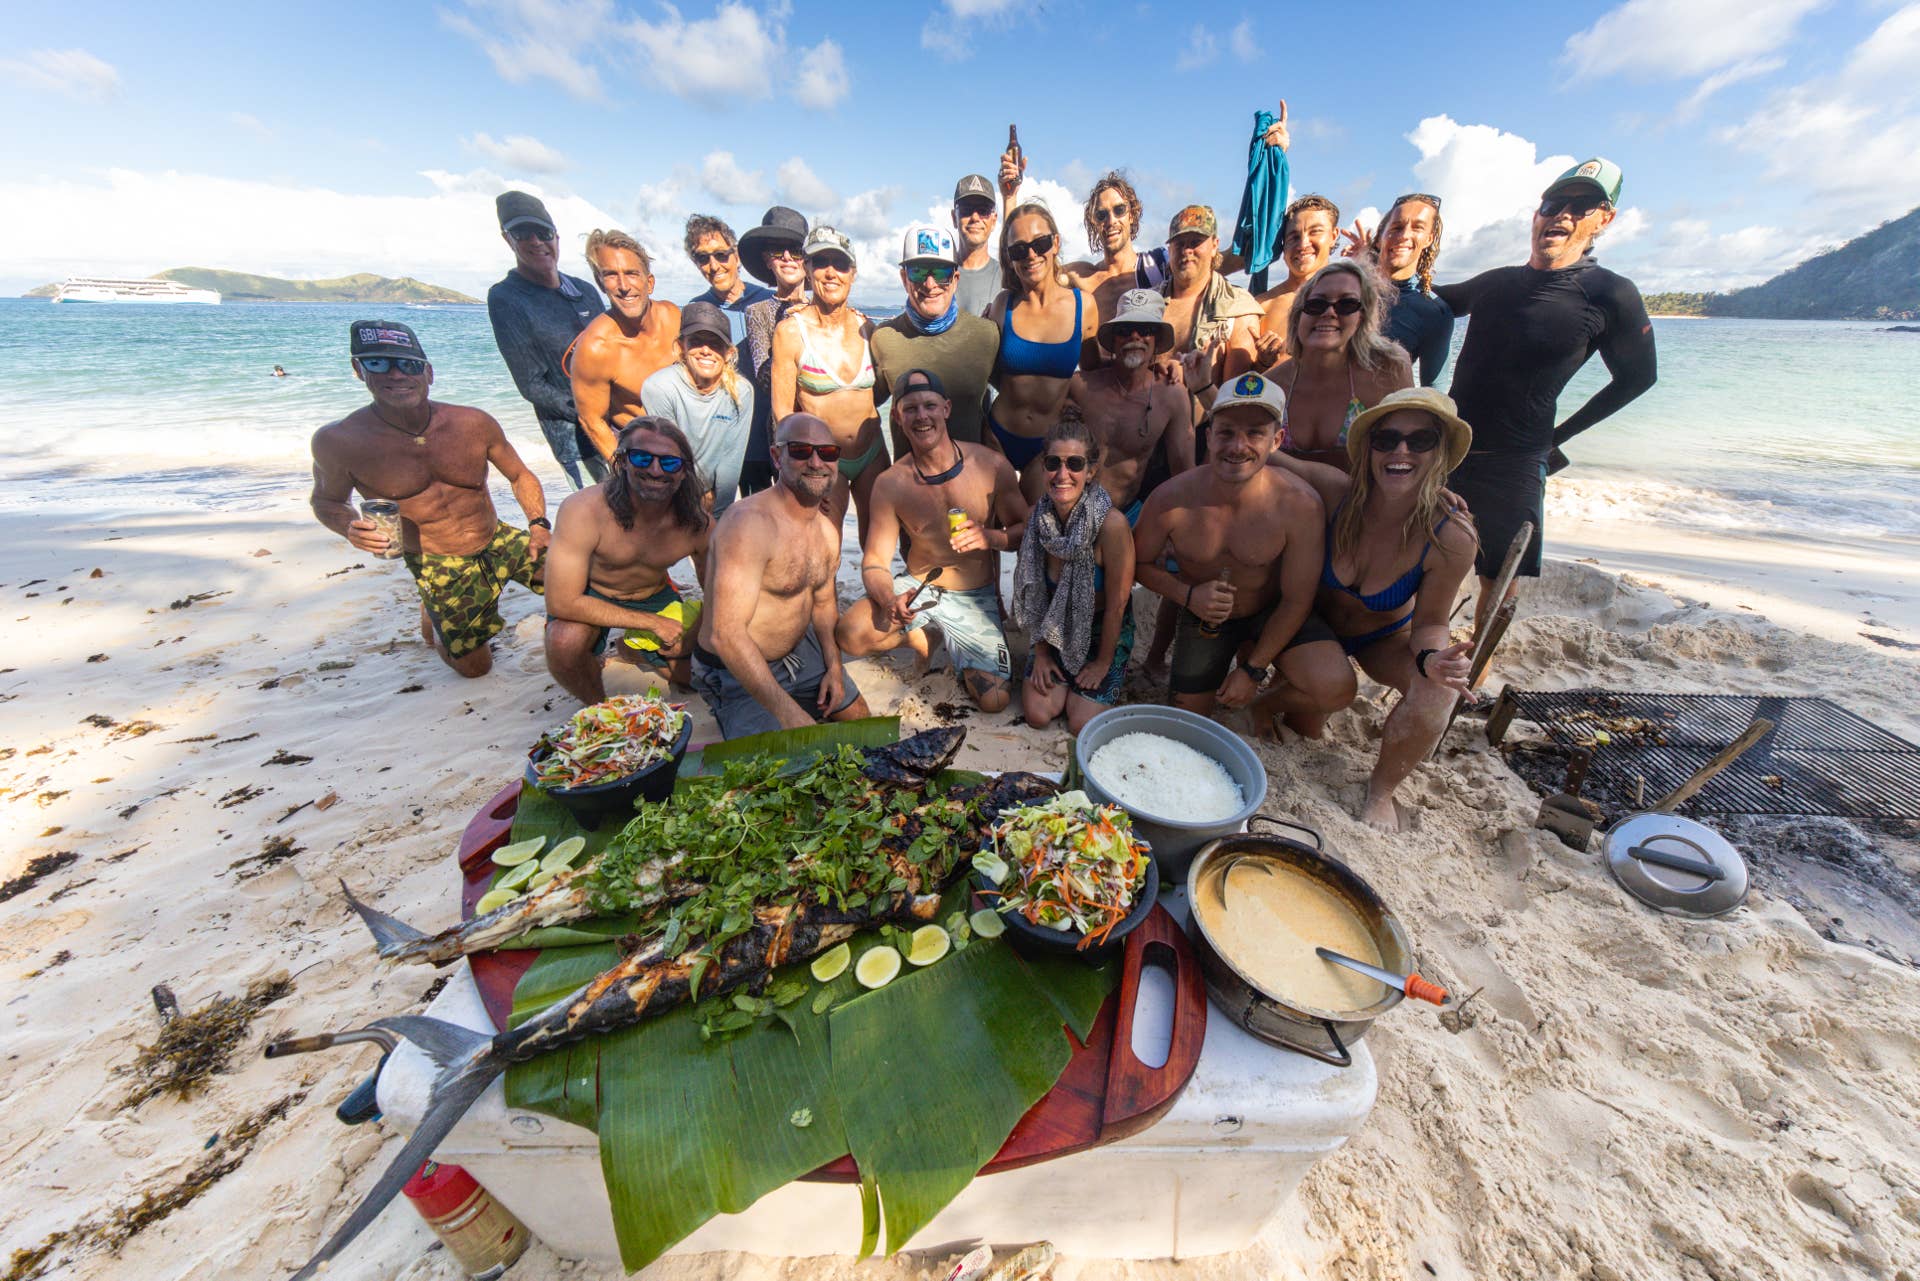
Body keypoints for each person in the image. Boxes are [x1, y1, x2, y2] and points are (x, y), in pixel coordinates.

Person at [1436, 158, 1657, 637]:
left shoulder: (1610, 294)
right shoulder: (1496, 283)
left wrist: (1559, 436)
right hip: (1447, 446)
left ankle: (1477, 673)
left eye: (1581, 207)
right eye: (1554, 204)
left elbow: (1638, 378)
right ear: (1536, 215)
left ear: (1605, 219)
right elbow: (1428, 305)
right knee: (1418, 555)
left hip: (1517, 459)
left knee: (1499, 579)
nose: (1562, 215)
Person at [1261, 388, 1478, 829]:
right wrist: (1205, 391)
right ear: (1369, 447)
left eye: (1420, 441)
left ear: (1440, 452)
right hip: (1313, 624)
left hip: (1384, 637)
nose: (1401, 450)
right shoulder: (1334, 491)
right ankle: (1264, 703)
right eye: (1387, 438)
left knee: (1438, 691)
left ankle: (1382, 790)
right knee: (1312, 720)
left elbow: (1432, 622)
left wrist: (1432, 659)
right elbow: (1260, 452)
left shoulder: (1452, 536)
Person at [310, 320, 549, 678]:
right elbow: (327, 502)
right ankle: (435, 613)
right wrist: (349, 528)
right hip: (438, 560)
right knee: (475, 670)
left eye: (407, 364)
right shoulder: (340, 441)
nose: (396, 374)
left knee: (582, 582)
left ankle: (443, 606)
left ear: (429, 372)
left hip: (496, 537)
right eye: (378, 363)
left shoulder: (472, 423)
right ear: (358, 370)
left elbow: (520, 475)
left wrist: (538, 524)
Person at [1130, 371, 1332, 718]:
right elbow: (1139, 564)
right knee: (1186, 717)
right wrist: (1188, 596)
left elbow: (1298, 599)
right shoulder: (1170, 498)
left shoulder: (1300, 505)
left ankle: (1264, 704)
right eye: (1226, 433)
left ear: (1277, 439)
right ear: (1208, 437)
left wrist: (1253, 670)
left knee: (1332, 687)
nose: (1238, 446)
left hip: (1271, 612)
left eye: (1255, 432)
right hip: (1205, 616)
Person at [838, 369, 1030, 712]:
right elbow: (874, 563)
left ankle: (949, 640)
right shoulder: (891, 483)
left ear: (947, 408)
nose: (921, 416)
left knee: (995, 699)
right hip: (920, 589)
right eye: (910, 409)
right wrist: (888, 599)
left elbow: (1025, 531)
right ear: (896, 416)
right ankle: (925, 636)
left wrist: (991, 537)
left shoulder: (990, 465)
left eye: (929, 406)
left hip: (974, 597)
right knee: (849, 634)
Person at [692, 413, 871, 737]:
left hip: (800, 655)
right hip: (735, 669)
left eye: (827, 453)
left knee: (862, 720)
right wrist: (788, 712)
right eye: (801, 451)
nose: (816, 462)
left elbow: (823, 605)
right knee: (780, 771)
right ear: (776, 456)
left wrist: (833, 666)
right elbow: (726, 634)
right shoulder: (748, 524)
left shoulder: (826, 532)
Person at [543, 416, 712, 703]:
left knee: (693, 677)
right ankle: (599, 708)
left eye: (669, 463)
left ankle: (630, 647)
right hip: (591, 593)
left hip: (651, 593)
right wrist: (653, 623)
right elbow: (561, 602)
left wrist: (691, 638)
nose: (656, 470)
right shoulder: (583, 510)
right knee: (563, 642)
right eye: (642, 458)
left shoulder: (697, 524)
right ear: (621, 463)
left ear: (684, 471)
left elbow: (717, 593)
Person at [1012, 421, 1137, 732]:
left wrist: (1102, 663)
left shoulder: (1111, 526)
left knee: (1080, 724)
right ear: (1043, 467)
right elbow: (1034, 591)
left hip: (1100, 632)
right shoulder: (1037, 519)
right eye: (1053, 463)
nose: (1062, 474)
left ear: (1090, 472)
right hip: (1053, 628)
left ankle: (1101, 669)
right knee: (1039, 714)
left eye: (1075, 464)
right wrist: (1041, 652)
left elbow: (1118, 605)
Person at [769, 227, 884, 543]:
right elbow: (782, 413)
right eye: (821, 262)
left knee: (877, 543)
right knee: (824, 548)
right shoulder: (791, 332)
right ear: (807, 269)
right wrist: (805, 468)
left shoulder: (869, 328)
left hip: (873, 452)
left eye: (840, 263)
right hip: (824, 459)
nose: (831, 272)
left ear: (853, 274)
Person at [486, 190, 607, 489]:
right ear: (508, 239)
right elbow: (531, 384)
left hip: (615, 424)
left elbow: (612, 351)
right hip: (573, 438)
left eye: (543, 232)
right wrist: (588, 411)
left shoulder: (583, 289)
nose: (536, 242)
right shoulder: (506, 298)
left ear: (556, 237)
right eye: (523, 233)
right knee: (600, 519)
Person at [985, 201, 1097, 494]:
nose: (1031, 255)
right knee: (992, 534)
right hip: (998, 437)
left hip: (1046, 445)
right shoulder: (1002, 306)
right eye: (1019, 250)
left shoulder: (1083, 307)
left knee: (1037, 530)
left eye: (1040, 243)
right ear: (1010, 258)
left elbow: (1094, 374)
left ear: (1055, 243)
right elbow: (987, 371)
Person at [1270, 260, 1414, 470]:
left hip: (1360, 501)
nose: (1329, 312)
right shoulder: (1273, 384)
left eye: (1346, 305)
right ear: (1298, 315)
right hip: (1289, 501)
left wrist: (1434, 488)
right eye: (1316, 304)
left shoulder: (1389, 369)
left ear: (1361, 317)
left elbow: (1413, 448)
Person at [870, 224, 1000, 453]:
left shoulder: (986, 335)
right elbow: (862, 409)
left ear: (956, 278)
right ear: (904, 278)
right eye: (918, 272)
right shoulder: (883, 338)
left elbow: (1018, 398)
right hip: (908, 483)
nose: (930, 285)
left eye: (941, 273)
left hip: (972, 481)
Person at [1066, 289, 1193, 521]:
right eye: (1124, 331)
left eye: (1145, 330)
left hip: (1128, 515)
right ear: (1113, 341)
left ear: (1156, 340)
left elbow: (1183, 475)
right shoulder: (1080, 387)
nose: (1134, 337)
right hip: (1072, 512)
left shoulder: (1172, 396)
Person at [566, 229, 680, 465]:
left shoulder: (674, 317)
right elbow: (592, 421)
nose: (623, 285)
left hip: (684, 441)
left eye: (631, 273)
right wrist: (627, 473)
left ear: (649, 282)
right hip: (640, 450)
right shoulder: (596, 347)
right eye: (611, 275)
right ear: (600, 283)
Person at [642, 302, 754, 517]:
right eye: (696, 342)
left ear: (729, 352)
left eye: (715, 344)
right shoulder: (658, 387)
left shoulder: (742, 391)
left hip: (711, 494)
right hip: (667, 489)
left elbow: (731, 458)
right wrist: (690, 502)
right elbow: (670, 454)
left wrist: (719, 515)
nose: (706, 350)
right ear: (680, 347)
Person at [737, 206, 811, 496]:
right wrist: (789, 322)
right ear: (767, 261)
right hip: (778, 433)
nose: (788, 258)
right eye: (778, 252)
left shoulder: (824, 309)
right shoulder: (757, 311)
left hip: (820, 428)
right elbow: (765, 379)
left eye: (795, 249)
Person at [1370, 194, 1453, 387]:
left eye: (1418, 227)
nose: (1404, 235)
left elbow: (1433, 394)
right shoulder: (1344, 290)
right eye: (1397, 227)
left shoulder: (1433, 311)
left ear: (1429, 239)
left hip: (1379, 414)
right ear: (1380, 235)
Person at [1253, 194, 1342, 371]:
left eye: (1315, 232)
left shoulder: (1351, 302)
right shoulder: (1261, 305)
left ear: (1333, 235)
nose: (1303, 244)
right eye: (1293, 236)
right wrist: (1263, 362)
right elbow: (1243, 383)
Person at [684, 213, 774, 357]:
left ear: (737, 257)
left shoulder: (769, 301)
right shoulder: (697, 309)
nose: (714, 266)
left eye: (721, 255)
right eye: (703, 258)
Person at [952, 174, 1001, 316]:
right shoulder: (937, 276)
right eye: (966, 209)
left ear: (994, 220)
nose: (975, 217)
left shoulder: (1008, 277)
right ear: (954, 218)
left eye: (983, 210)